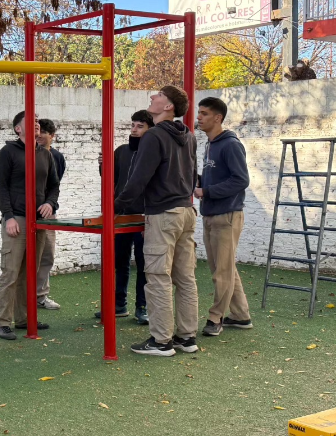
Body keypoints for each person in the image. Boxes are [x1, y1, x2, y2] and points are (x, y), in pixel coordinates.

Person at [114, 86, 199, 357]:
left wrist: (117, 206)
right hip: (186, 212)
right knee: (185, 277)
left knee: (157, 276)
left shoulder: (154, 136)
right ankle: (186, 337)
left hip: (163, 215)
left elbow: (138, 179)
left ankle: (161, 341)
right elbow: (192, 174)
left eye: (158, 96)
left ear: (168, 107)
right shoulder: (189, 136)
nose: (153, 97)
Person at [0, 111, 60, 340]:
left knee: (30, 273)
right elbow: (0, 187)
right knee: (11, 273)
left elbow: (54, 186)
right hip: (17, 219)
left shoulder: (44, 154)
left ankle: (24, 319)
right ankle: (3, 322)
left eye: (38, 121)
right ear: (18, 129)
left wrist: (50, 204)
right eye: (30, 122)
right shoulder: (8, 152)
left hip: (38, 221)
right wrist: (8, 217)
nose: (36, 124)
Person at [194, 97, 252, 337]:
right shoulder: (210, 144)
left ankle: (215, 317)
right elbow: (216, 177)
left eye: (204, 113)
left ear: (218, 118)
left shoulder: (230, 145)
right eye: (199, 113)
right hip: (211, 214)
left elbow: (241, 180)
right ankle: (240, 316)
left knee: (222, 272)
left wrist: (207, 191)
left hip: (227, 215)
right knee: (224, 268)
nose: (199, 117)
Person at [95, 110, 154, 324]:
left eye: (140, 126)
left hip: (144, 216)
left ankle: (142, 307)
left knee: (143, 262)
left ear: (150, 129)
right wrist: (103, 164)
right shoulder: (121, 151)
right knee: (119, 261)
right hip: (121, 215)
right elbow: (112, 179)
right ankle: (119, 305)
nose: (134, 130)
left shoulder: (152, 152)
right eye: (133, 125)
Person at [35, 118, 65, 310]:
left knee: (47, 255)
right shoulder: (25, 154)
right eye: (37, 132)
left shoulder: (56, 157)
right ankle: (23, 297)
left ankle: (41, 295)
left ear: (52, 136)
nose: (39, 136)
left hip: (47, 213)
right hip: (26, 213)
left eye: (43, 133)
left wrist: (49, 204)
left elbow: (54, 185)